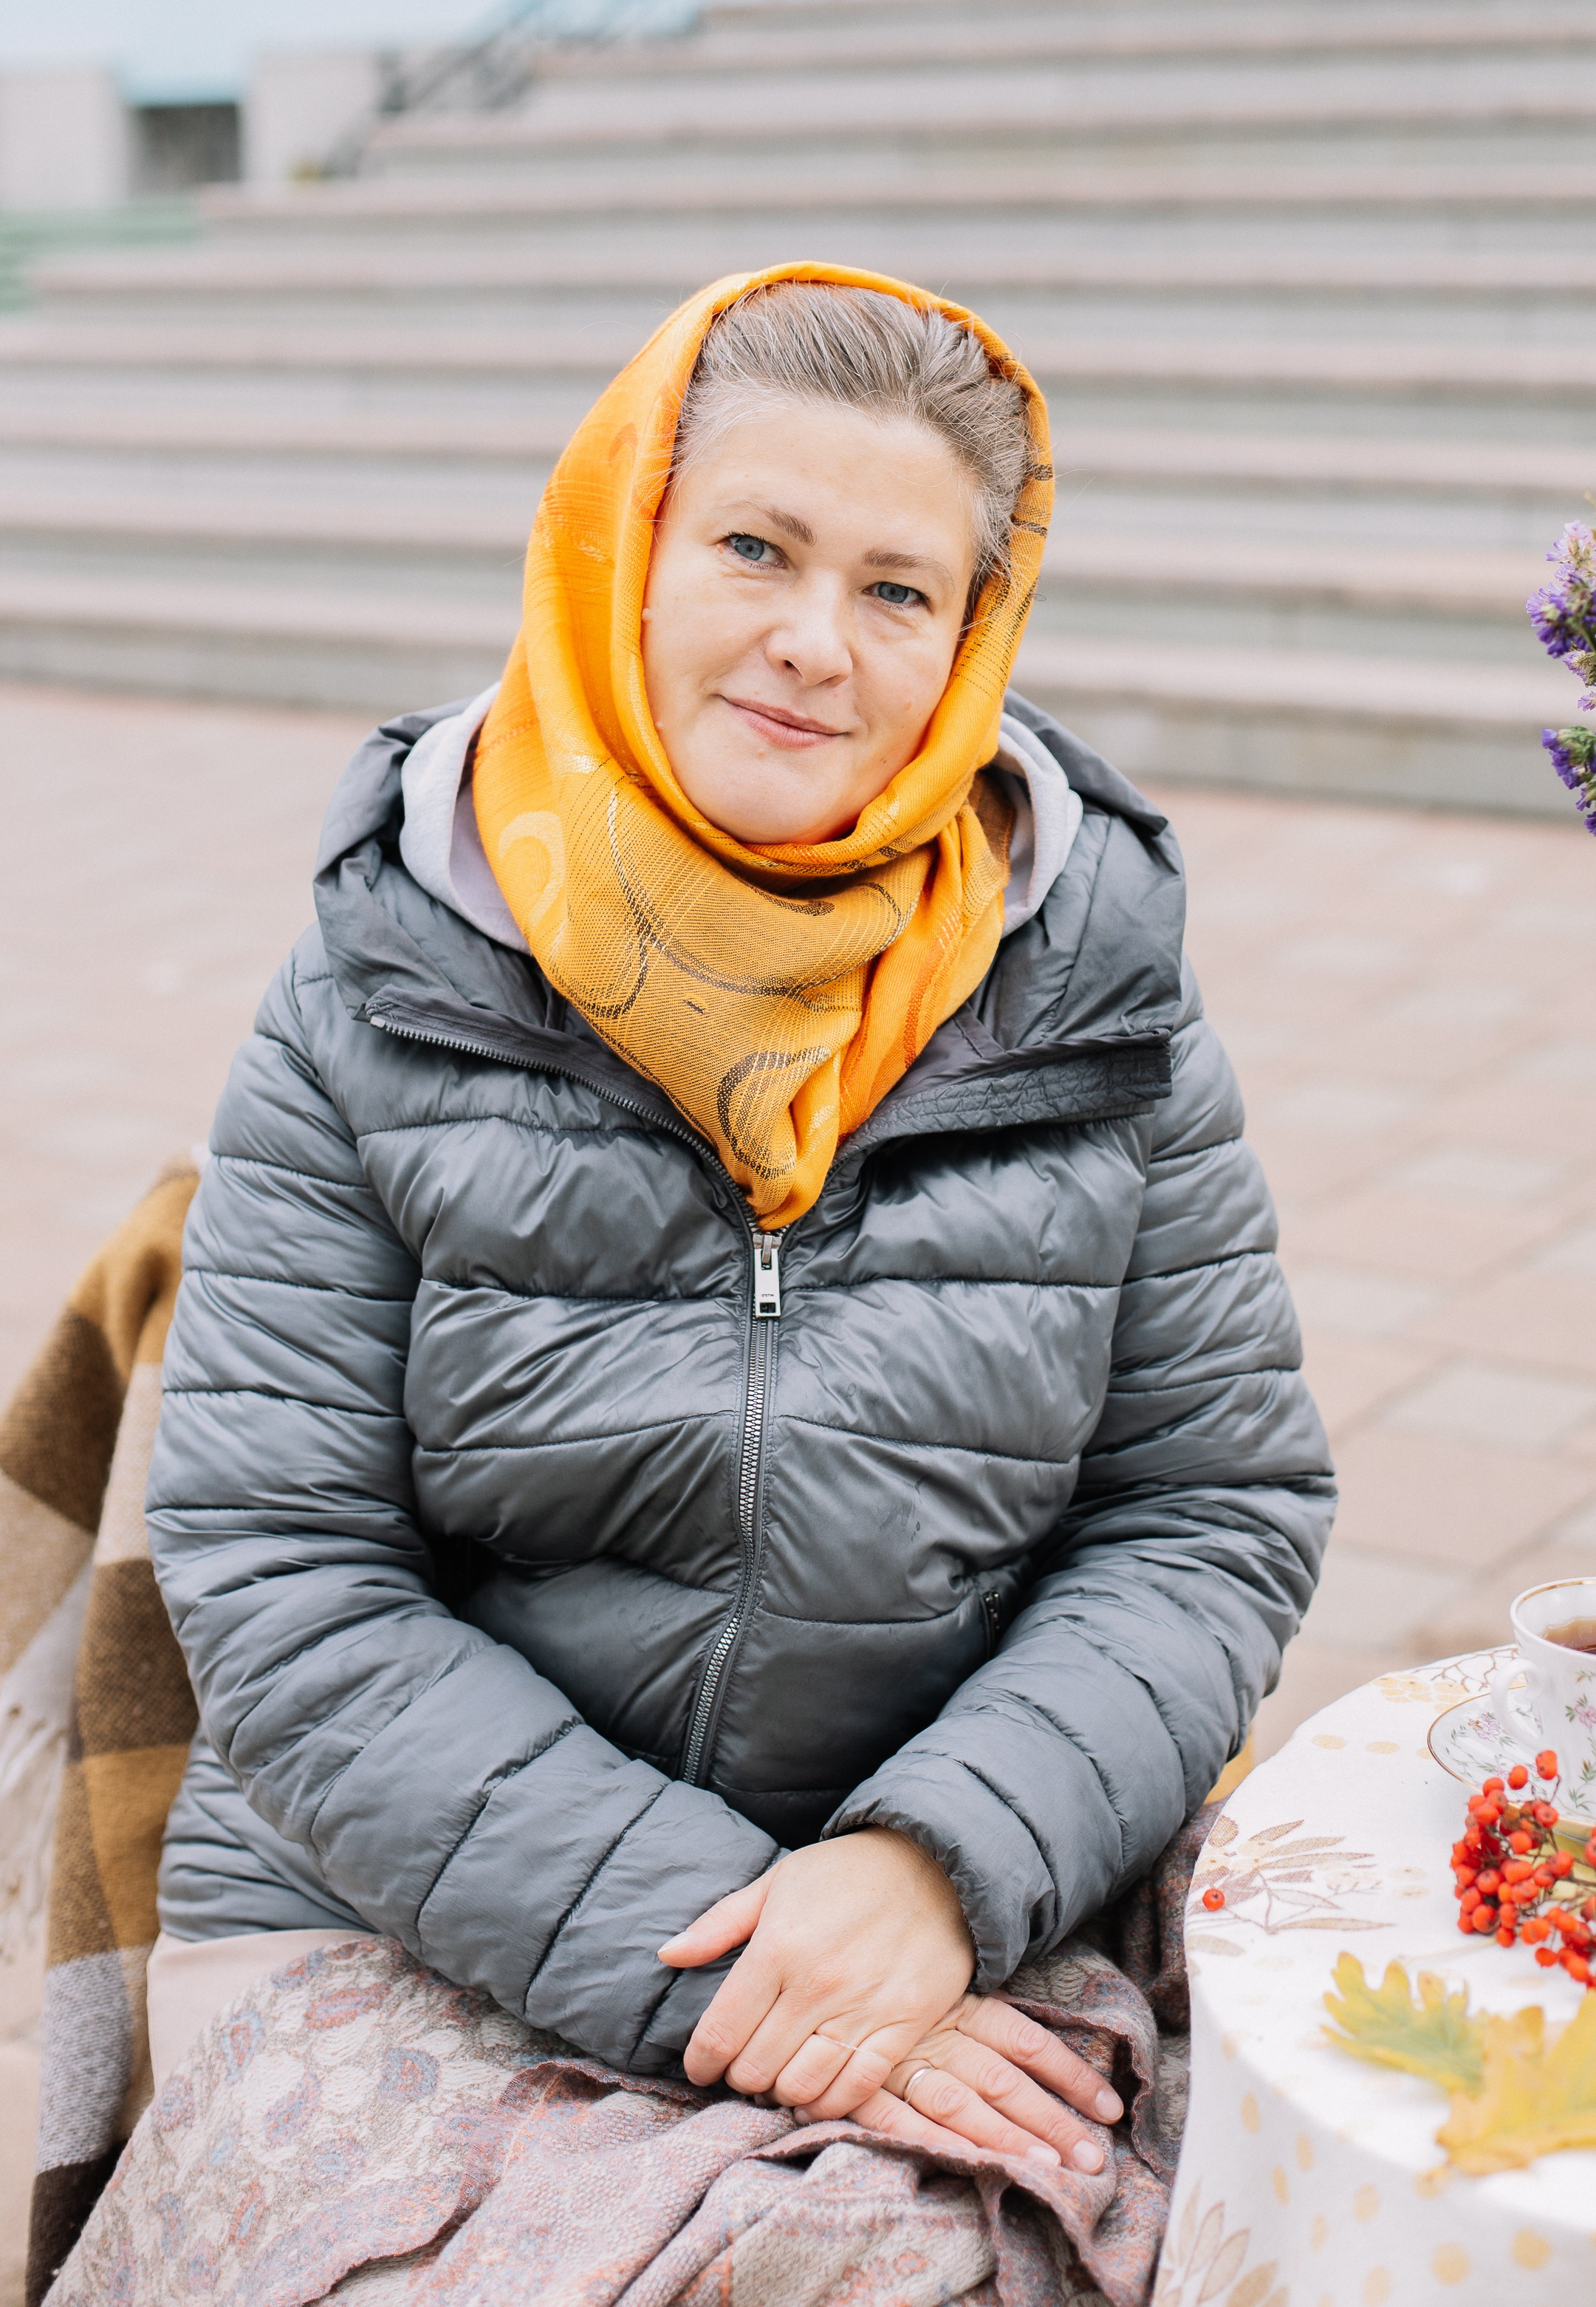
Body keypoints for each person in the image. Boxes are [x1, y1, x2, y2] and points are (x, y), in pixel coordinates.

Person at [145, 262, 1333, 2178]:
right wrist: (720, 1957)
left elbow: (1206, 1507)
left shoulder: (1093, 993)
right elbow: (282, 1572)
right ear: (625, 551)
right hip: (398, 1905)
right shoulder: (383, 973)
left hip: (955, 1890)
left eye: (895, 590)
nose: (812, 641)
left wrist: (933, 1862)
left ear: (972, 638)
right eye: (754, 548)